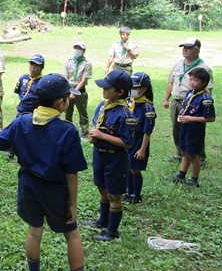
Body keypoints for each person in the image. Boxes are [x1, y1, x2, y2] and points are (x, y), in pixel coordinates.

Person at [0, 74, 98, 271]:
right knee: (73, 235)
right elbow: (71, 174)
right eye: (68, 96)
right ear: (61, 102)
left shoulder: (22, 122)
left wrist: (21, 148)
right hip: (55, 190)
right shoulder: (67, 130)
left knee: (34, 231)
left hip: (28, 185)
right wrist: (73, 204)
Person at [85, 71, 135, 242]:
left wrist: (102, 136)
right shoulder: (102, 106)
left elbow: (127, 143)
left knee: (114, 195)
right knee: (102, 189)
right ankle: (102, 220)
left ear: (120, 91)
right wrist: (94, 136)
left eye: (108, 87)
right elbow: (96, 126)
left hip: (116, 159)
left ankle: (112, 231)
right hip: (99, 156)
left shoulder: (126, 114)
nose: (103, 89)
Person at [163, 38, 214, 162]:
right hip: (177, 101)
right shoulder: (178, 64)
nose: (185, 50)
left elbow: (208, 89)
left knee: (195, 130)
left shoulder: (204, 68)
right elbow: (171, 82)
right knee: (177, 129)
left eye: (189, 48)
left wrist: (202, 106)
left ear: (196, 51)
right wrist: (166, 98)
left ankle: (199, 157)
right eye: (183, 47)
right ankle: (180, 154)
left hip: (194, 104)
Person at [167, 67, 215, 188]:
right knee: (184, 152)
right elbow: (185, 107)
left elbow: (210, 118)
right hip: (185, 127)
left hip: (195, 130)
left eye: (196, 80)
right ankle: (181, 175)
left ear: (204, 82)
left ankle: (194, 180)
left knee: (193, 155)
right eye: (191, 79)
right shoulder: (189, 93)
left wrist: (190, 118)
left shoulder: (206, 98)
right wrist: (182, 116)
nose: (192, 82)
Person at [125, 72, 156, 204]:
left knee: (135, 169)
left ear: (144, 89)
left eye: (135, 88)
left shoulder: (148, 108)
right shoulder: (129, 102)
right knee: (127, 168)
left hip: (139, 142)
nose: (132, 90)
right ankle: (128, 192)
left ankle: (136, 195)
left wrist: (142, 149)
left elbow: (147, 131)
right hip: (127, 141)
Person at [61, 42, 92, 139]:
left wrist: (74, 91)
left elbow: (84, 80)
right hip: (68, 90)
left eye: (79, 48)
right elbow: (65, 76)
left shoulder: (87, 64)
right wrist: (70, 91)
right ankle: (68, 132)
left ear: (83, 51)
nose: (77, 50)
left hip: (80, 92)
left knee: (83, 113)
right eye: (75, 48)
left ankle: (84, 134)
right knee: (68, 112)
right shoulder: (68, 62)